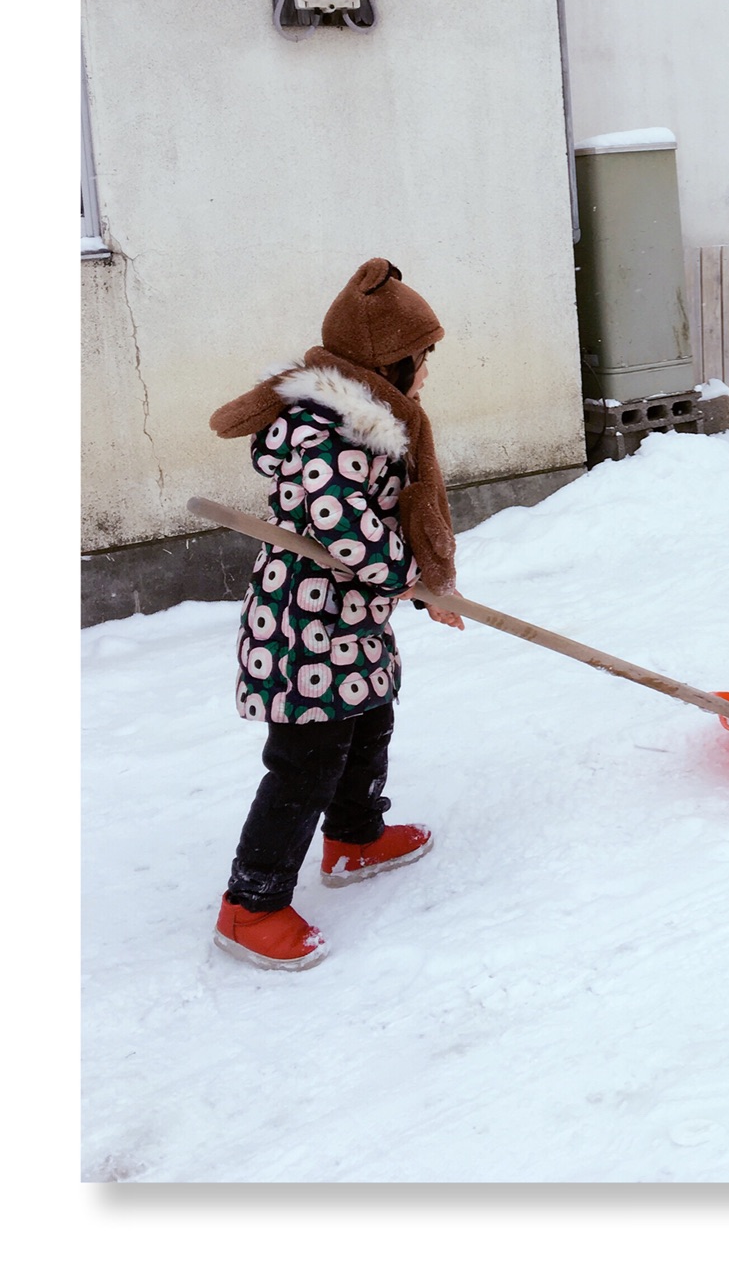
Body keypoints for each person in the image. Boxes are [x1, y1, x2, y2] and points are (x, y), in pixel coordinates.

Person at [208, 259, 464, 969]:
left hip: (349, 614)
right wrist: (409, 574)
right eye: (422, 358)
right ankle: (249, 905)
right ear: (391, 363)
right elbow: (339, 523)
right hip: (304, 623)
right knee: (305, 760)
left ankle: (354, 838)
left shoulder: (364, 421)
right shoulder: (331, 431)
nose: (426, 373)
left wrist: (403, 580)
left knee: (369, 716)